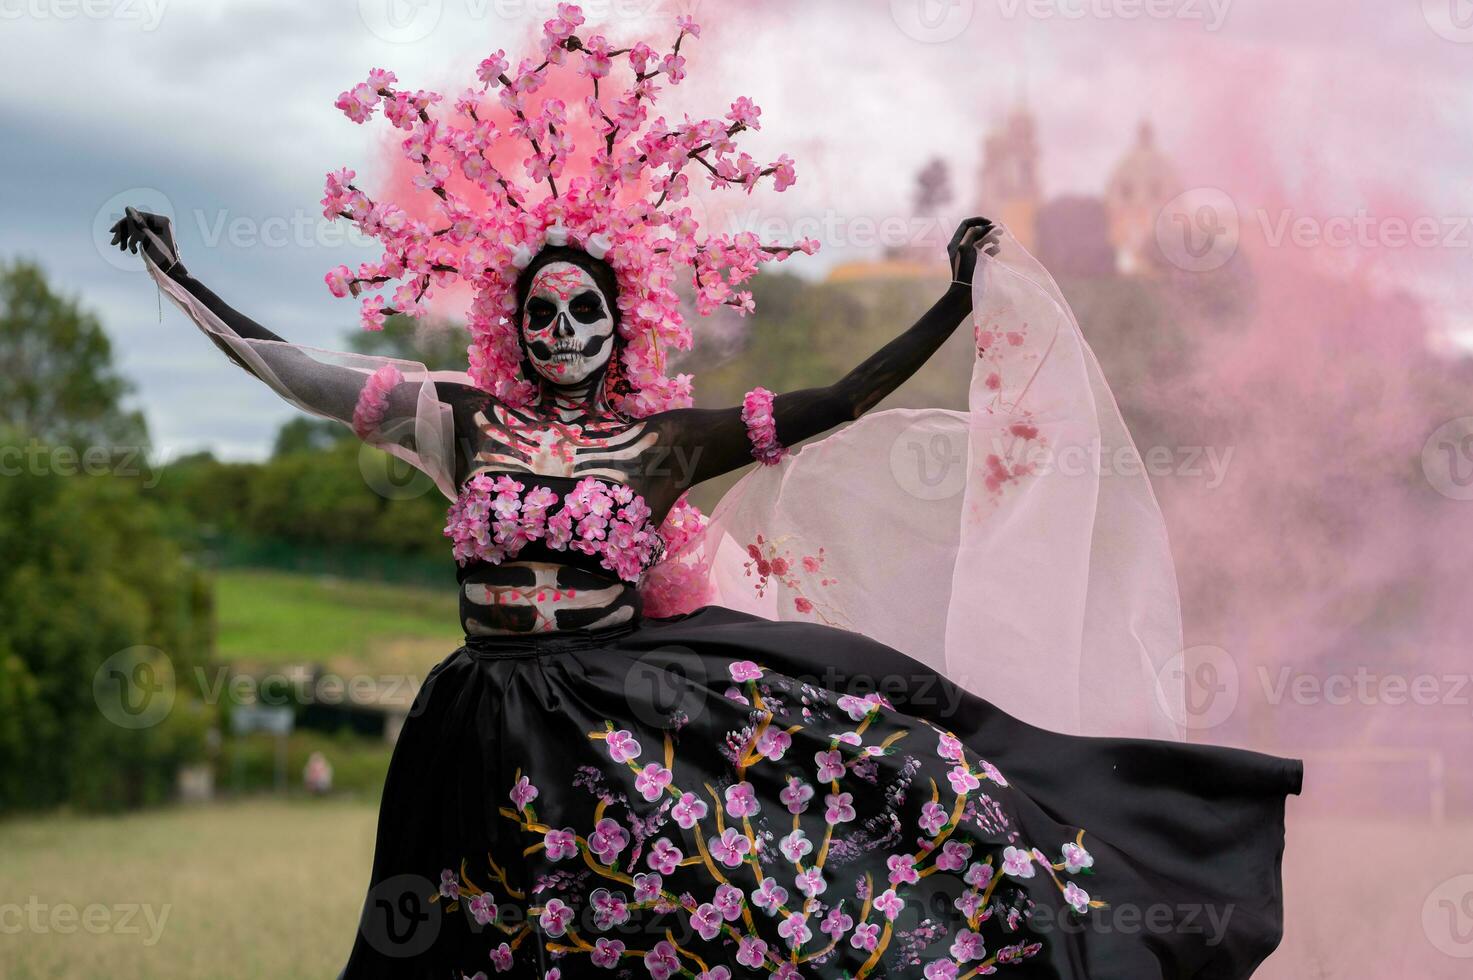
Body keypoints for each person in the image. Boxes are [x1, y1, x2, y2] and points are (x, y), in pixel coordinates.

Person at [110, 7, 1299, 977]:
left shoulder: (663, 441)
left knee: (717, 900)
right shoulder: (457, 420)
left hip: (617, 710)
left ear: (621, 319)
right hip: (474, 723)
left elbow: (838, 401)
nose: (562, 326)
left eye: (585, 309)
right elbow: (303, 375)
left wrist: (950, 304)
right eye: (541, 310)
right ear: (511, 327)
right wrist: (180, 276)